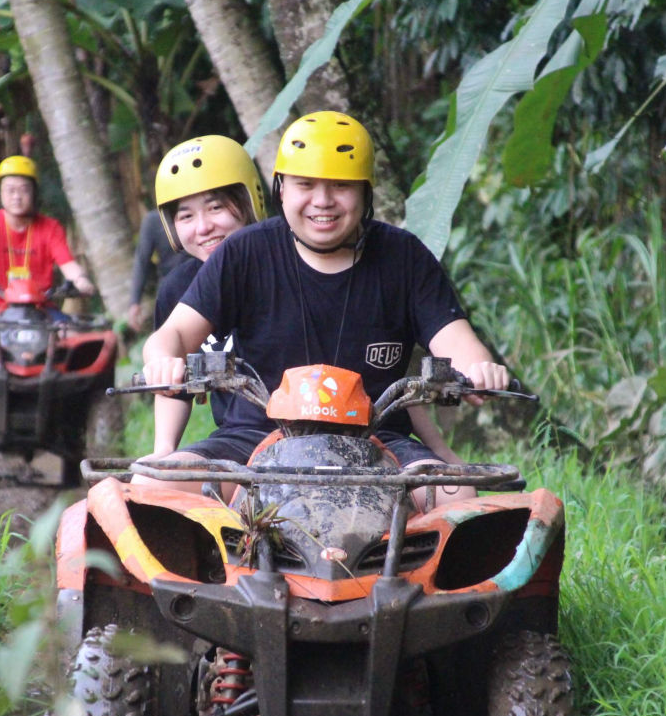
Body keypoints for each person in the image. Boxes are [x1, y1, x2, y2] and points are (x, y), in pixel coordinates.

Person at [142, 111, 504, 505]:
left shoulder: (404, 255)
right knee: (152, 486)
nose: (323, 201)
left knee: (459, 497)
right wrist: (163, 359)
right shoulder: (244, 252)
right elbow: (173, 334)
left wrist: (478, 369)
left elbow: (459, 342)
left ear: (366, 192)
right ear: (280, 189)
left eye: (340, 185)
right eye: (306, 184)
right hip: (254, 436)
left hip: (377, 438)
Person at [146, 134, 266, 457]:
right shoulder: (178, 287)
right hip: (238, 440)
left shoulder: (284, 262)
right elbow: (174, 383)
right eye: (186, 216)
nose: (203, 228)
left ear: (249, 201)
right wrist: (163, 452)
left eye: (215, 207)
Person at [0, 155, 96, 316]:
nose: (16, 197)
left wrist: (80, 279)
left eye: (24, 189)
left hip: (40, 306)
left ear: (34, 192)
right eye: (10, 190)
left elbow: (67, 264)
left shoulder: (50, 227)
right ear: (0, 193)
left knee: (71, 335)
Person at [127, 208, 189, 332]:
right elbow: (142, 260)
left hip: (202, 281)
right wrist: (134, 301)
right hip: (172, 292)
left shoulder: (197, 214)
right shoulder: (154, 220)